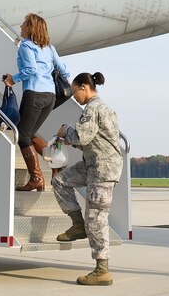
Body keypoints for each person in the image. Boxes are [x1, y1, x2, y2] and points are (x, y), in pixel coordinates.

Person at [52, 72, 122, 286]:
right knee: (60, 181)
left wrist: (66, 131)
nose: (75, 97)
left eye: (75, 92)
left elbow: (82, 137)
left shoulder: (92, 109)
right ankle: (77, 225)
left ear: (84, 87)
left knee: (96, 218)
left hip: (102, 169)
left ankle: (102, 270)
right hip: (93, 165)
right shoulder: (105, 108)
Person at [3, 13, 69, 192]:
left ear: (31, 28)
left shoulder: (26, 46)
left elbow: (31, 69)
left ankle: (36, 179)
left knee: (22, 136)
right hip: (50, 96)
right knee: (29, 133)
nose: (21, 27)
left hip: (34, 94)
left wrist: (13, 79)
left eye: (24, 24)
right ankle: (56, 164)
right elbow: (64, 71)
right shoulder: (49, 47)